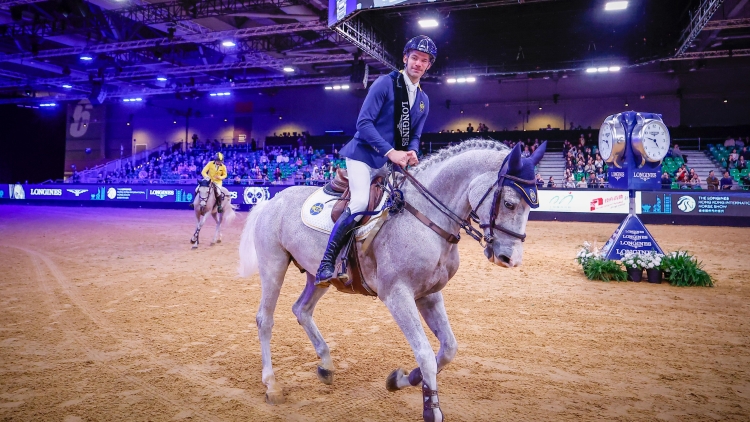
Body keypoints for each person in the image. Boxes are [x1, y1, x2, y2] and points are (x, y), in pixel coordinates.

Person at [314, 35, 435, 287]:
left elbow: (415, 136)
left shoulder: (423, 101)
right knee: (359, 203)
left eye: (424, 60)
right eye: (414, 58)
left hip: (391, 162)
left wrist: (411, 151)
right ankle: (328, 262)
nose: (418, 64)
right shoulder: (385, 83)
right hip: (363, 156)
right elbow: (363, 124)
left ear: (428, 66)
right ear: (405, 58)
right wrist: (391, 152)